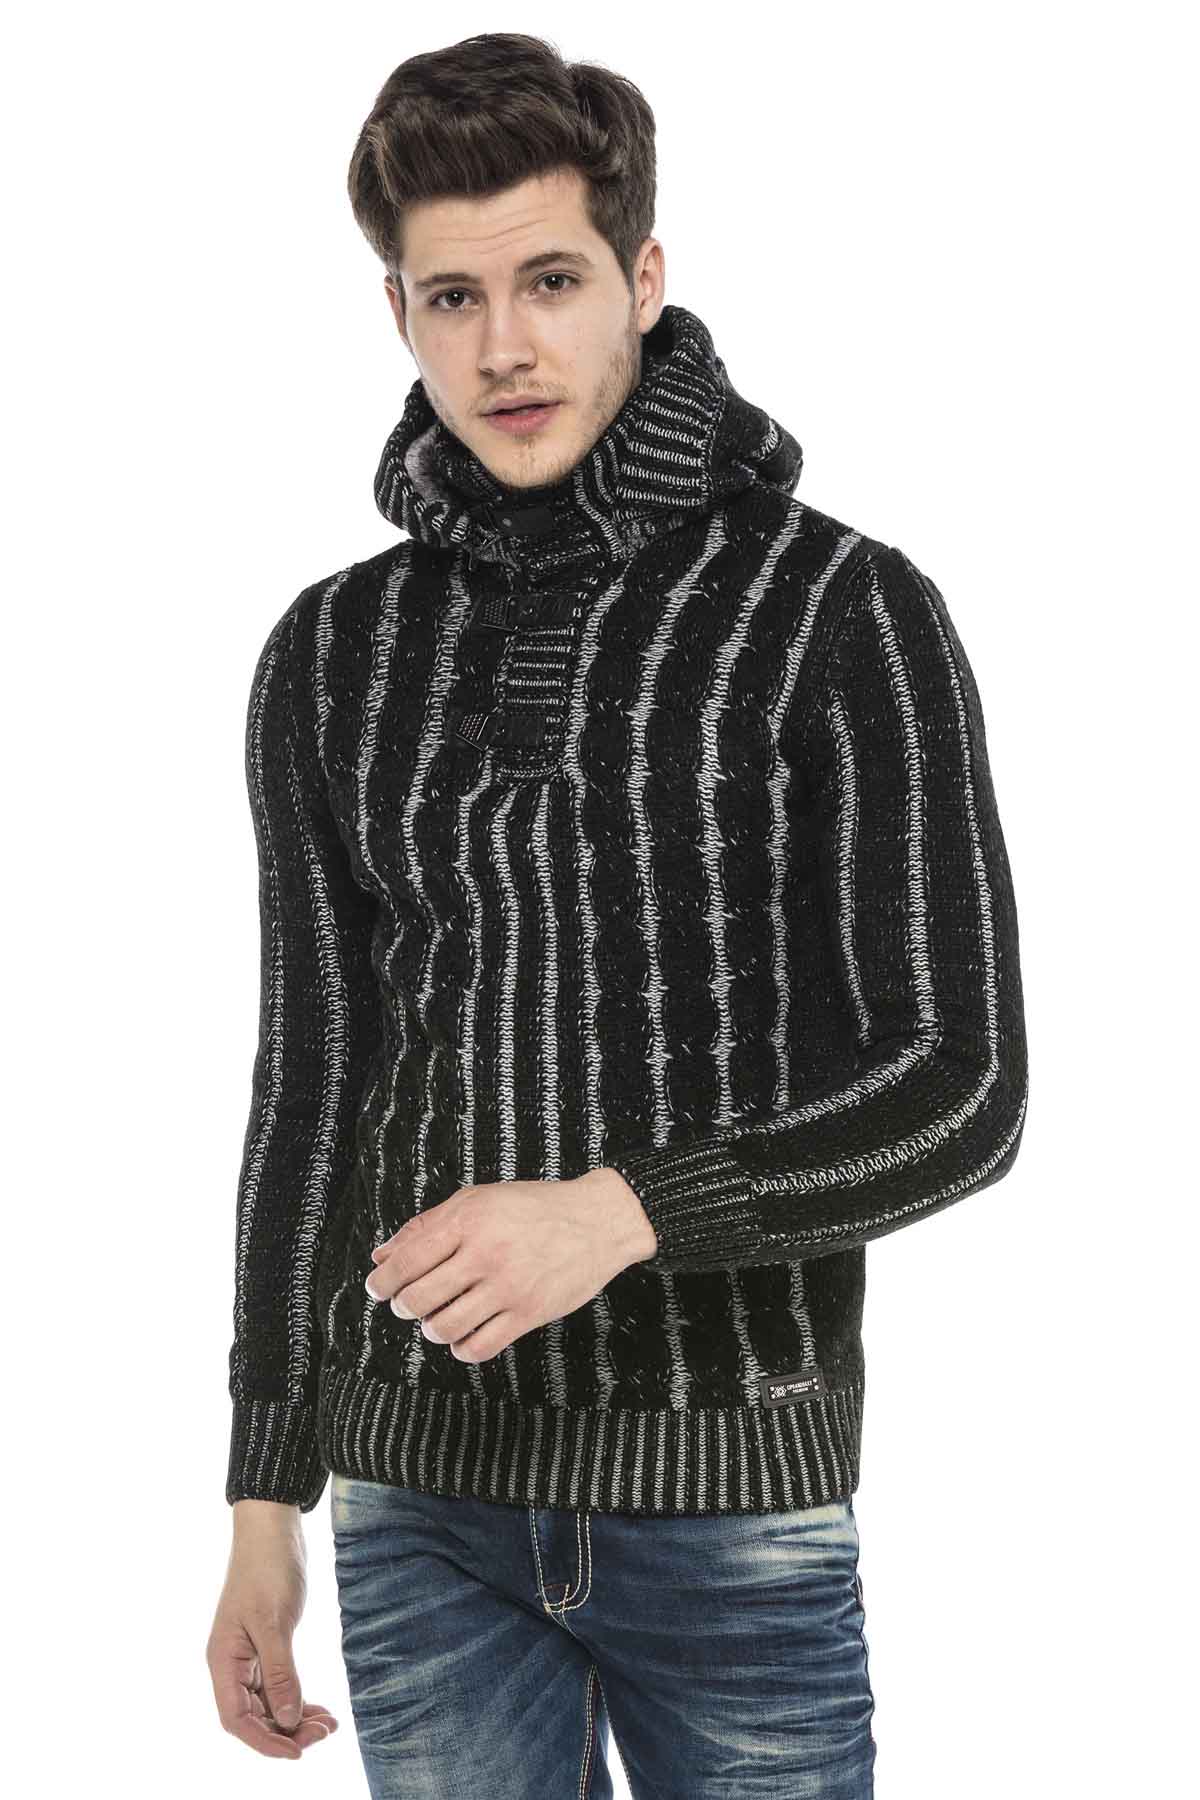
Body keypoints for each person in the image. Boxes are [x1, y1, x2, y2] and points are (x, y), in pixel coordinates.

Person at [207, 30, 1029, 1798]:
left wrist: (624, 1214)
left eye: (553, 281)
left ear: (644, 280)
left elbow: (963, 1088)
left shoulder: (843, 610)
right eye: (452, 298)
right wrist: (264, 1495)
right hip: (414, 1509)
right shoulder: (330, 652)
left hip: (731, 1503)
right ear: (399, 314)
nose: (504, 346)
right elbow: (312, 1086)